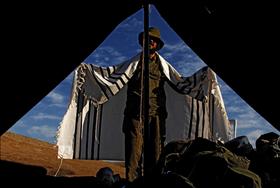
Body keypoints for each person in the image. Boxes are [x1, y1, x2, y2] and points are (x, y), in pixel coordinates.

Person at [122, 27, 168, 182]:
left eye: (153, 40)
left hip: (155, 115)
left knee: (155, 154)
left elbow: (180, 81)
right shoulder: (132, 64)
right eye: (147, 39)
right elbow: (114, 76)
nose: (150, 42)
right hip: (134, 115)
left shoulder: (163, 67)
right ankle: (131, 183)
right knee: (133, 154)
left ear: (157, 44)